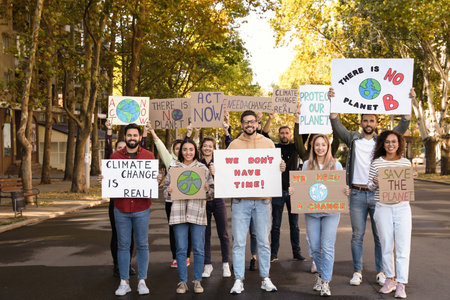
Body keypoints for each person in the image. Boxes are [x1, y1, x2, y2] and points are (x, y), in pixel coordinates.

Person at [328, 87, 414, 286]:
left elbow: (403, 124)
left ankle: (381, 271)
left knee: (380, 236)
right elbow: (336, 122)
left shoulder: (381, 141)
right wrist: (333, 100)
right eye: (365, 120)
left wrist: (408, 100)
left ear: (377, 123)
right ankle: (357, 271)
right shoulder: (353, 138)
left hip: (378, 195)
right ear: (361, 123)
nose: (368, 123)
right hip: (357, 194)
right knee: (357, 235)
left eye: (371, 120)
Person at [227, 110, 286, 294]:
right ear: (241, 124)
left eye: (252, 122)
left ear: (257, 124)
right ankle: (238, 279)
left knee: (263, 241)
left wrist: (281, 166)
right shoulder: (234, 145)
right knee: (238, 242)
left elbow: (274, 167)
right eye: (245, 122)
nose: (249, 125)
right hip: (240, 202)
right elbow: (227, 170)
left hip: (262, 202)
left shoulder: (268, 143)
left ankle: (265, 278)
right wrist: (217, 169)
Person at [290, 134, 349, 297]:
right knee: (315, 247)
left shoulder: (336, 164)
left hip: (330, 212)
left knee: (327, 247)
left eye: (323, 145)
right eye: (317, 145)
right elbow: (301, 187)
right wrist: (294, 191)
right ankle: (321, 275)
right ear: (313, 147)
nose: (320, 148)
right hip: (312, 213)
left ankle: (325, 282)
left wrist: (345, 191)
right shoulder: (307, 165)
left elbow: (341, 187)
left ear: (328, 146)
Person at [107, 123, 155, 296]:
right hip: (121, 207)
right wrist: (104, 180)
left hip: (142, 207)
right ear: (125, 137)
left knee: (142, 245)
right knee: (123, 245)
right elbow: (111, 181)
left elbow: (152, 180)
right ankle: (124, 281)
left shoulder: (149, 156)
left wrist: (157, 178)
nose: (132, 138)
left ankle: (142, 281)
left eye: (135, 135)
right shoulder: (115, 157)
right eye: (129, 135)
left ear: (140, 137)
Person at [162, 139, 214, 294]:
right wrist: (169, 190)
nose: (188, 152)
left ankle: (197, 281)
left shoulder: (202, 169)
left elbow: (211, 193)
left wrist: (207, 189)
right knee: (181, 249)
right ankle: (183, 282)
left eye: (191, 149)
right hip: (178, 213)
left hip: (197, 212)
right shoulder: (173, 168)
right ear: (180, 151)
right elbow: (165, 191)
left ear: (195, 151)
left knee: (198, 248)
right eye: (185, 149)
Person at [367, 131, 413, 299]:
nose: (391, 145)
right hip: (383, 207)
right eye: (387, 142)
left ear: (399, 143)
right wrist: (375, 182)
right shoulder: (377, 163)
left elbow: (407, 186)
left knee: (403, 246)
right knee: (386, 245)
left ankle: (401, 283)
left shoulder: (406, 163)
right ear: (383, 144)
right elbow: (369, 186)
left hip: (402, 207)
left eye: (394, 141)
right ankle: (390, 279)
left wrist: (412, 178)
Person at [262, 111, 306, 262]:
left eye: (287, 133)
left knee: (295, 225)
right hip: (277, 191)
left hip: (293, 191)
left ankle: (297, 252)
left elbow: (303, 134)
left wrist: (297, 118)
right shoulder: (273, 147)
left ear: (290, 134)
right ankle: (274, 254)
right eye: (282, 133)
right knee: (276, 225)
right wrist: (270, 118)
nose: (284, 135)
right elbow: (264, 133)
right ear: (279, 135)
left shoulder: (296, 148)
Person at [147, 121, 191, 268]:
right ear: (173, 150)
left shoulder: (191, 162)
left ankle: (186, 256)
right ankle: (175, 257)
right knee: (173, 230)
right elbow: (159, 144)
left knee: (187, 229)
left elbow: (193, 143)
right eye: (176, 148)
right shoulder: (170, 161)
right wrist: (152, 131)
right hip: (171, 203)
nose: (179, 151)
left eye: (182, 148)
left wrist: (192, 132)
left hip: (187, 202)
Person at [199, 136, 231, 278]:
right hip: (203, 202)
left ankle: (225, 263)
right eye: (205, 146)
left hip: (218, 200)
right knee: (205, 234)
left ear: (214, 148)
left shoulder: (219, 162)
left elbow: (226, 179)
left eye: (210, 146)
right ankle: (207, 264)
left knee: (223, 233)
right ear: (201, 148)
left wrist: (215, 173)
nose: (207, 148)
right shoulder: (197, 163)